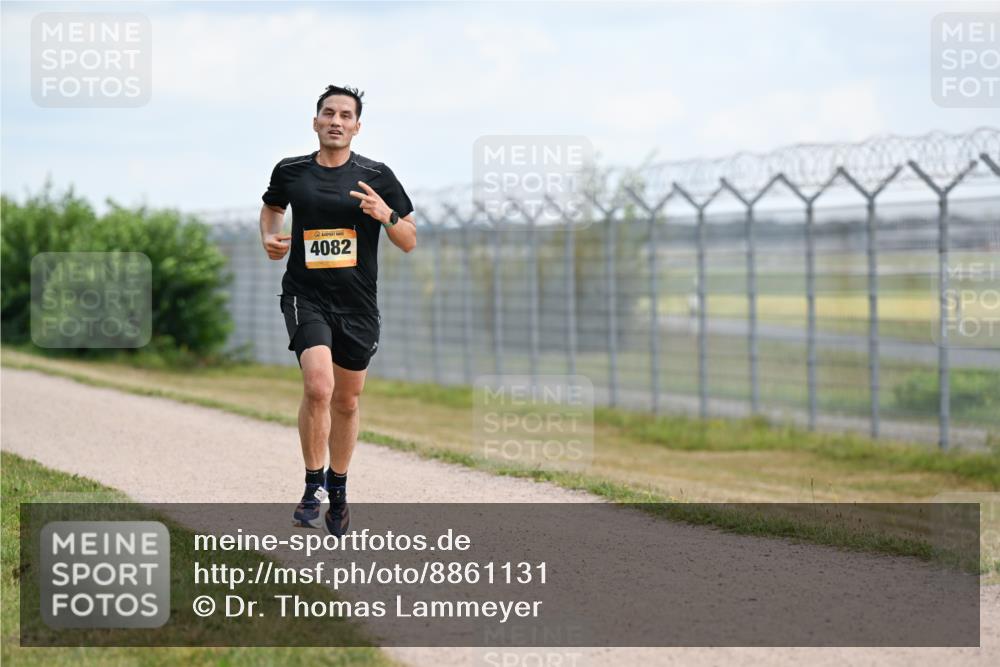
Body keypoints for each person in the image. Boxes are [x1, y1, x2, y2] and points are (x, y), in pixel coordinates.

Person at [259, 84, 416, 536]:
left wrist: (385, 214)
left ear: (357, 126)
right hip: (305, 295)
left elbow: (408, 239)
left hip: (358, 305)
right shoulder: (291, 171)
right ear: (315, 122)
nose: (336, 121)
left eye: (345, 115)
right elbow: (271, 209)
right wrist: (268, 238)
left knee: (346, 400)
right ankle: (313, 486)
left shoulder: (376, 175)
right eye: (328, 113)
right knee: (319, 386)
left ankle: (339, 487)